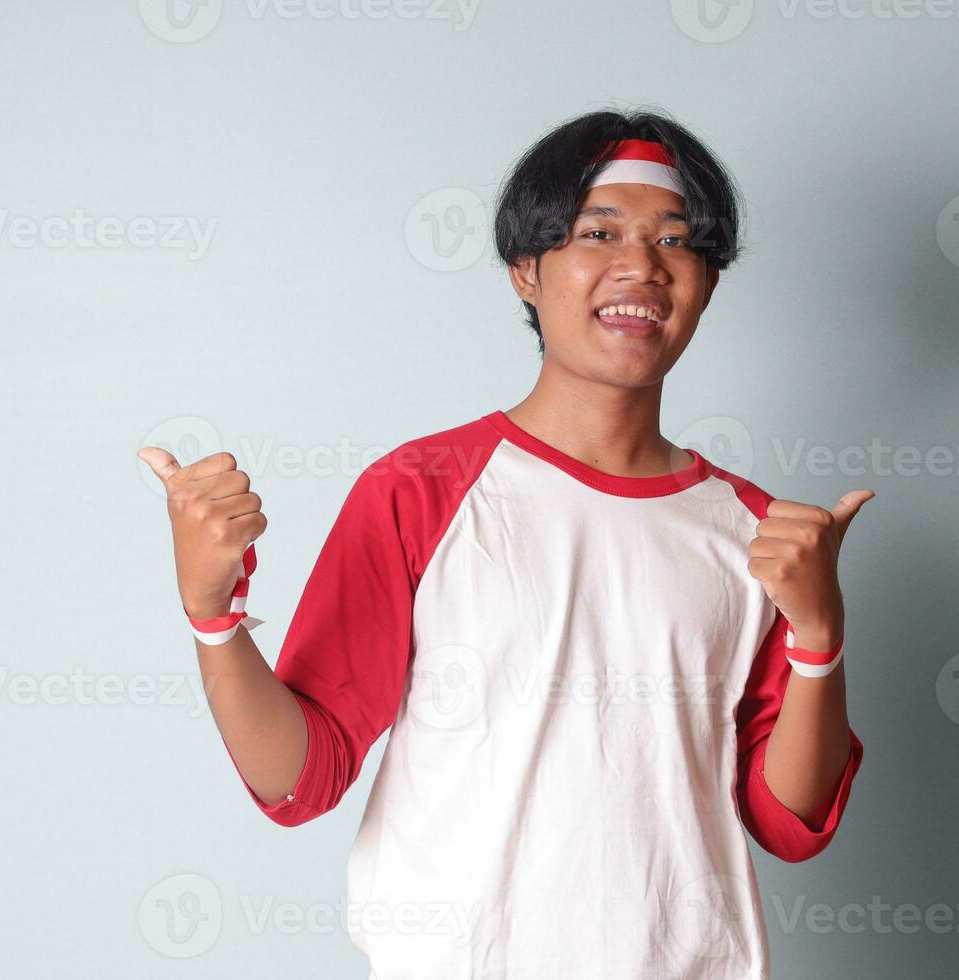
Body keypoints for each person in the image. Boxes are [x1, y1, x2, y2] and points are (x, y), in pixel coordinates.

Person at [138, 107, 872, 979]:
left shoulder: (757, 533)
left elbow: (787, 820)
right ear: (527, 270)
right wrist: (212, 617)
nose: (640, 264)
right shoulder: (420, 491)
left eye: (676, 241)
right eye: (598, 232)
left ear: (707, 284)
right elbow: (304, 776)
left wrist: (819, 640)